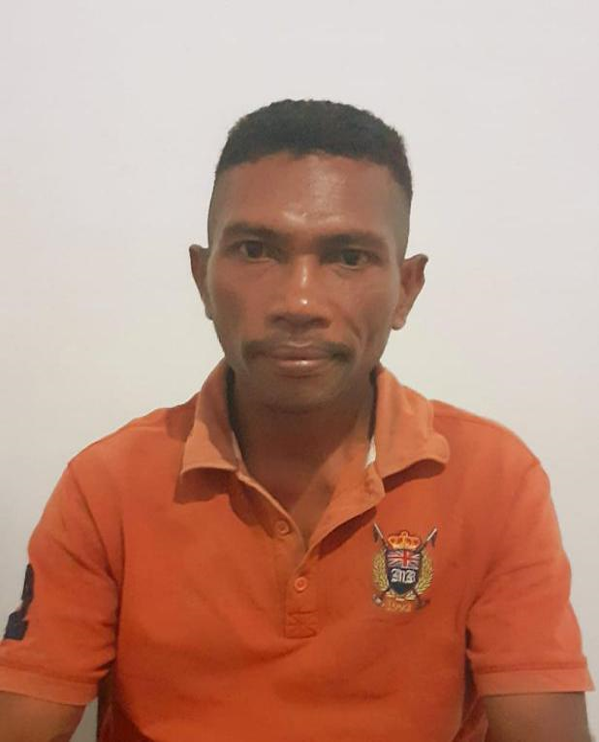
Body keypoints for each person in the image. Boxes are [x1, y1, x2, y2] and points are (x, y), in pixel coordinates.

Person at [0, 99, 593, 742]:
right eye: (256, 250)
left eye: (349, 257)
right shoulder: (108, 485)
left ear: (406, 289)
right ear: (202, 278)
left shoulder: (492, 479)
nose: (300, 301)